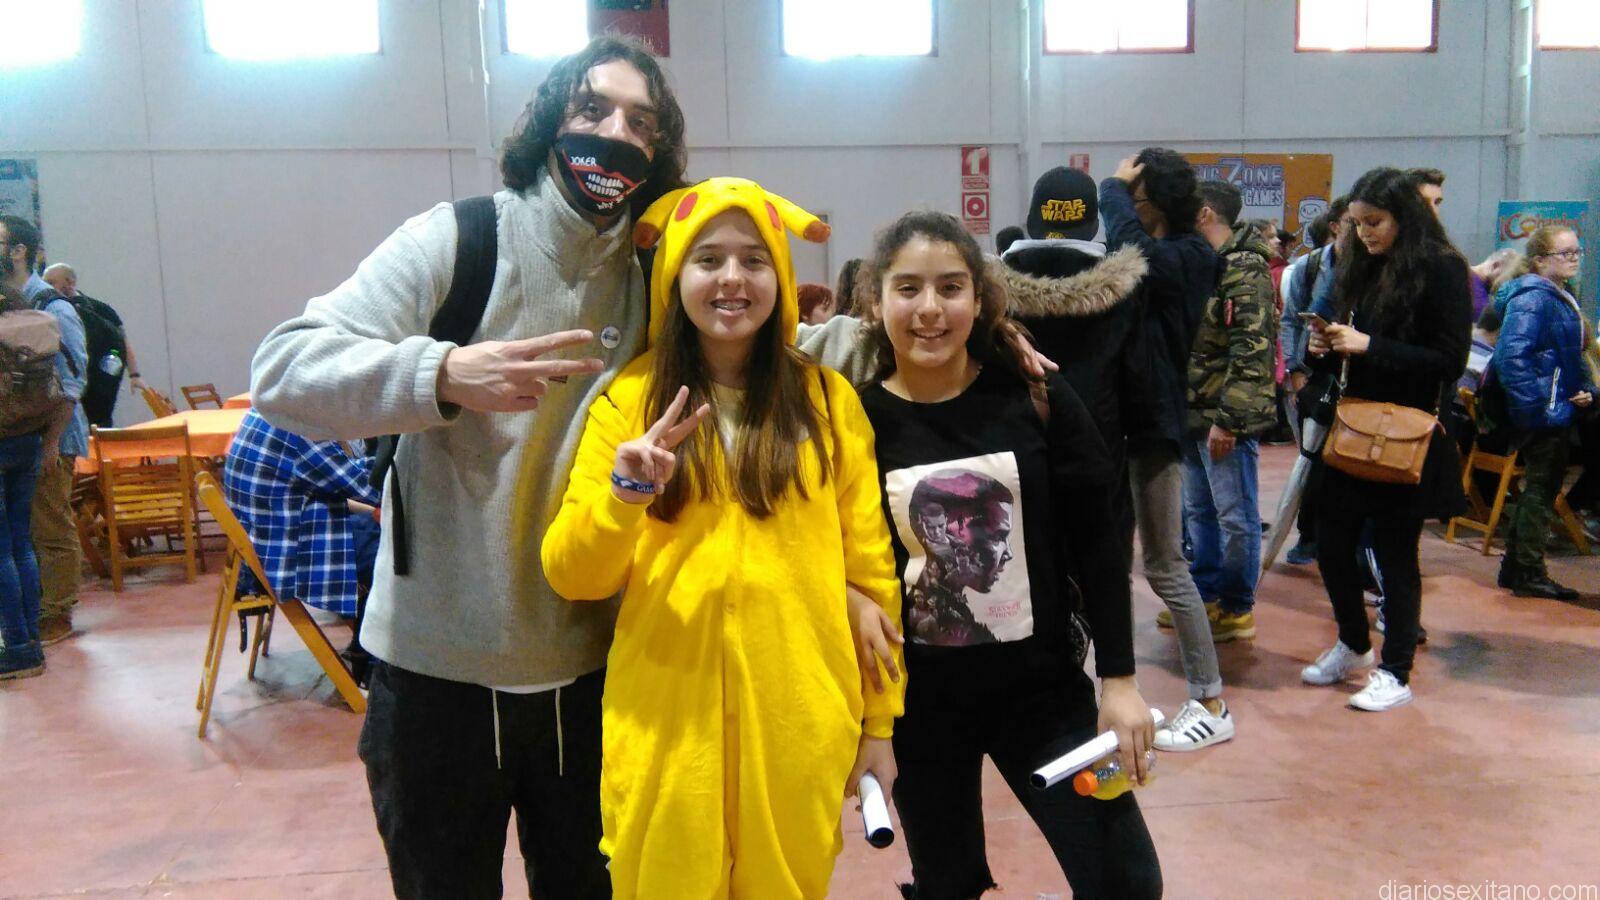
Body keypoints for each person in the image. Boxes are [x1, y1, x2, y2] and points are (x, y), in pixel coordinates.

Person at [251, 37, 691, 897]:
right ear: (549, 122)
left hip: (597, 675)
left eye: (641, 123)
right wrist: (442, 373)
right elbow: (282, 370)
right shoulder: (460, 239)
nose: (616, 134)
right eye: (592, 109)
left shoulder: (654, 269)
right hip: (436, 679)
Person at [541, 178, 901, 897]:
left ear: (781, 278)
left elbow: (872, 573)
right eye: (708, 260)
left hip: (799, 723)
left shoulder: (828, 404)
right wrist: (624, 496)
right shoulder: (629, 401)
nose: (732, 278)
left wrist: (880, 724)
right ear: (675, 278)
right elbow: (572, 575)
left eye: (753, 260)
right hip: (667, 729)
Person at [854, 210, 1161, 898]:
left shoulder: (1035, 395)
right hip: (919, 712)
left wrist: (1119, 680)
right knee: (948, 883)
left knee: (1127, 880)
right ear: (876, 301)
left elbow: (1098, 541)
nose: (929, 309)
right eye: (908, 288)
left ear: (979, 298)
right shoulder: (855, 420)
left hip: (1047, 698)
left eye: (950, 287)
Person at [1300, 167, 1471, 712]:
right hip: (1351, 427)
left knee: (1396, 556)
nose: (1364, 232)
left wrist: (1368, 345)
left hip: (1406, 433)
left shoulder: (1442, 268)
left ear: (1405, 216)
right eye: (1357, 223)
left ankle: (1395, 670)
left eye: (1374, 221)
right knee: (1330, 543)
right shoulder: (1359, 265)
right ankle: (1353, 643)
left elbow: (1449, 361)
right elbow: (1345, 352)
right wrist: (1323, 347)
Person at [1100, 150, 1235, 743]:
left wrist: (1111, 189)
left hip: (1155, 428)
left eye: (1136, 196)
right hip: (1126, 424)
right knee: (1109, 561)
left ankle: (1212, 703)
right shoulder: (1165, 253)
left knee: (1165, 567)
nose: (1129, 206)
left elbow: (1135, 252)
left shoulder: (1189, 254)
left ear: (1150, 201)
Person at [1181, 181, 1277, 651]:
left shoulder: (1245, 267)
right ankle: (1206, 596)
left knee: (1235, 515)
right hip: (1192, 412)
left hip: (1222, 417)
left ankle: (1237, 607)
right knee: (1199, 510)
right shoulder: (1208, 263)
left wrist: (1230, 420)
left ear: (1204, 213)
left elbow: (1252, 350)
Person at [222, 409, 384, 676]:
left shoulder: (268, 409)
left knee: (378, 533)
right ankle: (376, 666)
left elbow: (338, 475)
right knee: (396, 556)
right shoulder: (298, 428)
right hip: (287, 555)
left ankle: (363, 649)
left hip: (266, 543)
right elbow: (364, 487)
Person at [1482, 225, 1594, 599]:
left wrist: (1584, 391)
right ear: (1541, 260)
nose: (1574, 259)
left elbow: (1569, 357)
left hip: (1556, 406)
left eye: (1577, 251)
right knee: (1540, 491)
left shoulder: (1558, 295)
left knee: (1542, 488)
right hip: (1543, 413)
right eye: (1565, 253)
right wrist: (1539, 409)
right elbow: (1512, 358)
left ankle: (1516, 567)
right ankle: (1528, 572)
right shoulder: (1534, 298)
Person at [0, 216, 87, 649]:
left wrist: (51, 440)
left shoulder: (54, 307)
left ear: (18, 251)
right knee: (25, 531)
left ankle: (58, 611)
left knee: (51, 525)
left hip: (53, 436)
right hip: (20, 436)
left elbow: (73, 381)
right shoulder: (11, 302)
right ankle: (32, 611)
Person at [0, 276, 49, 679]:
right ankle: (32, 638)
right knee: (22, 544)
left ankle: (16, 647)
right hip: (29, 438)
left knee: (1, 553)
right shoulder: (28, 323)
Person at [40, 263, 146, 428]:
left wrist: (134, 375)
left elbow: (122, 340)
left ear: (70, 282)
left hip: (100, 385)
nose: (46, 288)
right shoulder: (47, 311)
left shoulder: (101, 309)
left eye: (51, 282)